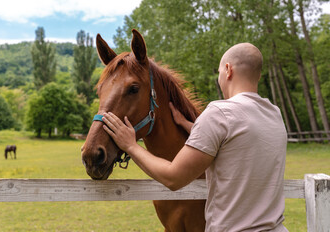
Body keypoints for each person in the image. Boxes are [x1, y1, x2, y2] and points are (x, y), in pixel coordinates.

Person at [102, 43, 288, 232]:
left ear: (228, 70)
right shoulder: (274, 115)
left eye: (219, 73)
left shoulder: (219, 113)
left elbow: (173, 178)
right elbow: (238, 142)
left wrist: (131, 146)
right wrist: (194, 127)